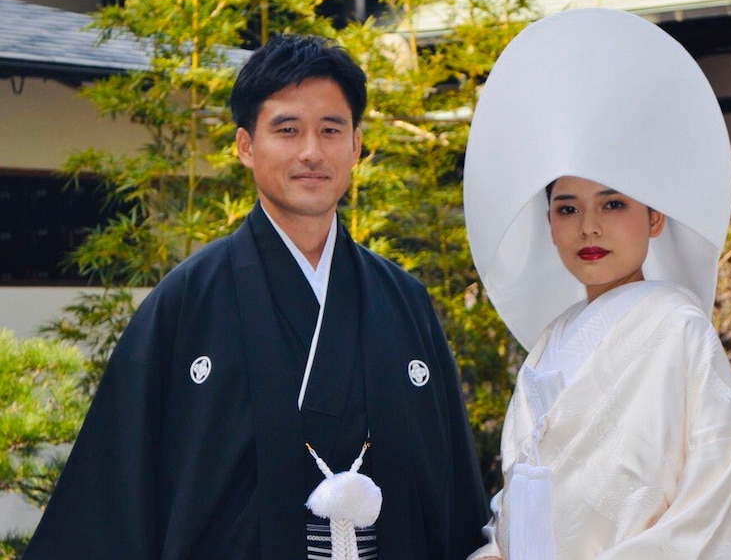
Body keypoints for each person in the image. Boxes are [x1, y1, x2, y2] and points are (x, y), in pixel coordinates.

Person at [23, 34, 488, 560]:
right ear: (246, 146)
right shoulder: (187, 302)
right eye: (287, 130)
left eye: (331, 130)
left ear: (356, 145)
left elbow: (451, 497)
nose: (311, 151)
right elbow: (113, 492)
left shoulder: (404, 303)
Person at [462, 8, 731, 559]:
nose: (589, 226)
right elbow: (520, 503)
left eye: (613, 203)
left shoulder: (677, 328)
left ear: (655, 218)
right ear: (550, 226)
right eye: (567, 208)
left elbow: (717, 492)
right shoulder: (548, 346)